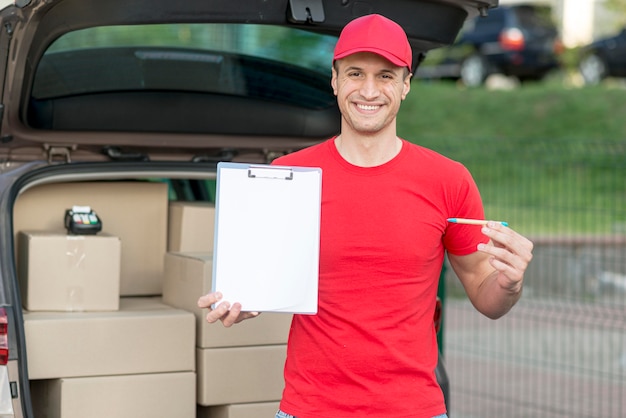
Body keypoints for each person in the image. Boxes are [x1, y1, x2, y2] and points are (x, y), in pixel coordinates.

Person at [198, 13, 533, 418]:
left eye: (386, 76)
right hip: (310, 409)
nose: (369, 90)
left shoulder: (449, 181)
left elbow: (485, 291)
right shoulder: (287, 177)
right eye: (355, 73)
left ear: (406, 85)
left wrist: (509, 284)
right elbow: (261, 278)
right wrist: (245, 299)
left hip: (415, 409)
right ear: (335, 80)